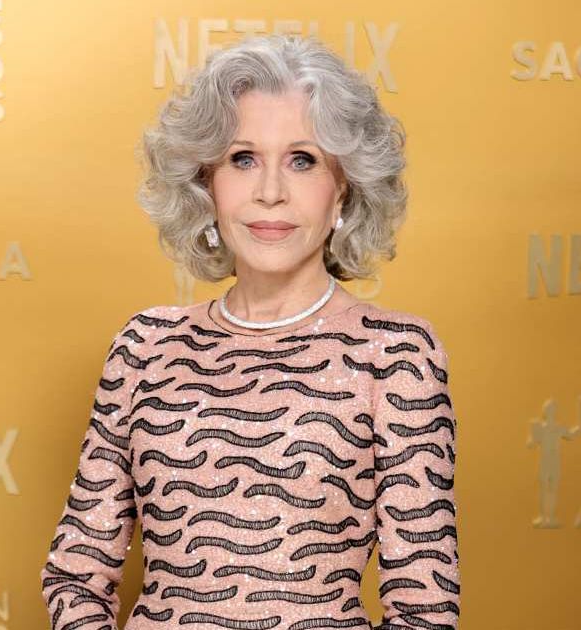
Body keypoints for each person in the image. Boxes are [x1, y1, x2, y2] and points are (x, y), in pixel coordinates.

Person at [40, 34, 460, 630]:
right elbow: (74, 574)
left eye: (302, 160)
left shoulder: (396, 355)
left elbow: (425, 611)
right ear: (205, 183)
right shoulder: (145, 346)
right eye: (243, 159)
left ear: (343, 187)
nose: (269, 192)